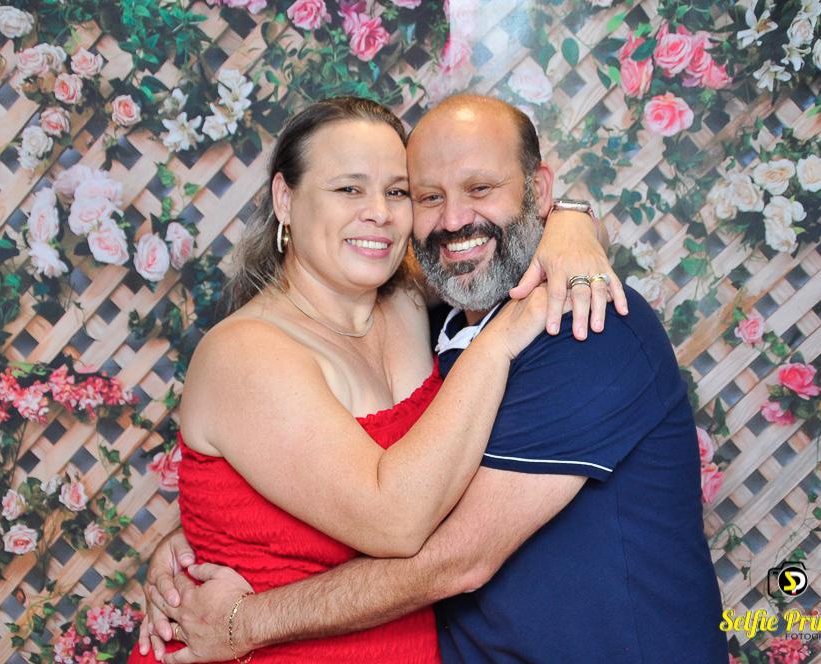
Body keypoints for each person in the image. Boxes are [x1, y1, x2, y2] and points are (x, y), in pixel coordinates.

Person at [139, 95, 728, 663]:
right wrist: (200, 537)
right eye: (351, 188)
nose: (385, 212)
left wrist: (574, 222)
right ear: (285, 199)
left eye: (397, 192)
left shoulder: (568, 320)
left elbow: (455, 556)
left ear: (539, 190)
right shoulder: (434, 319)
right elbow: (386, 509)